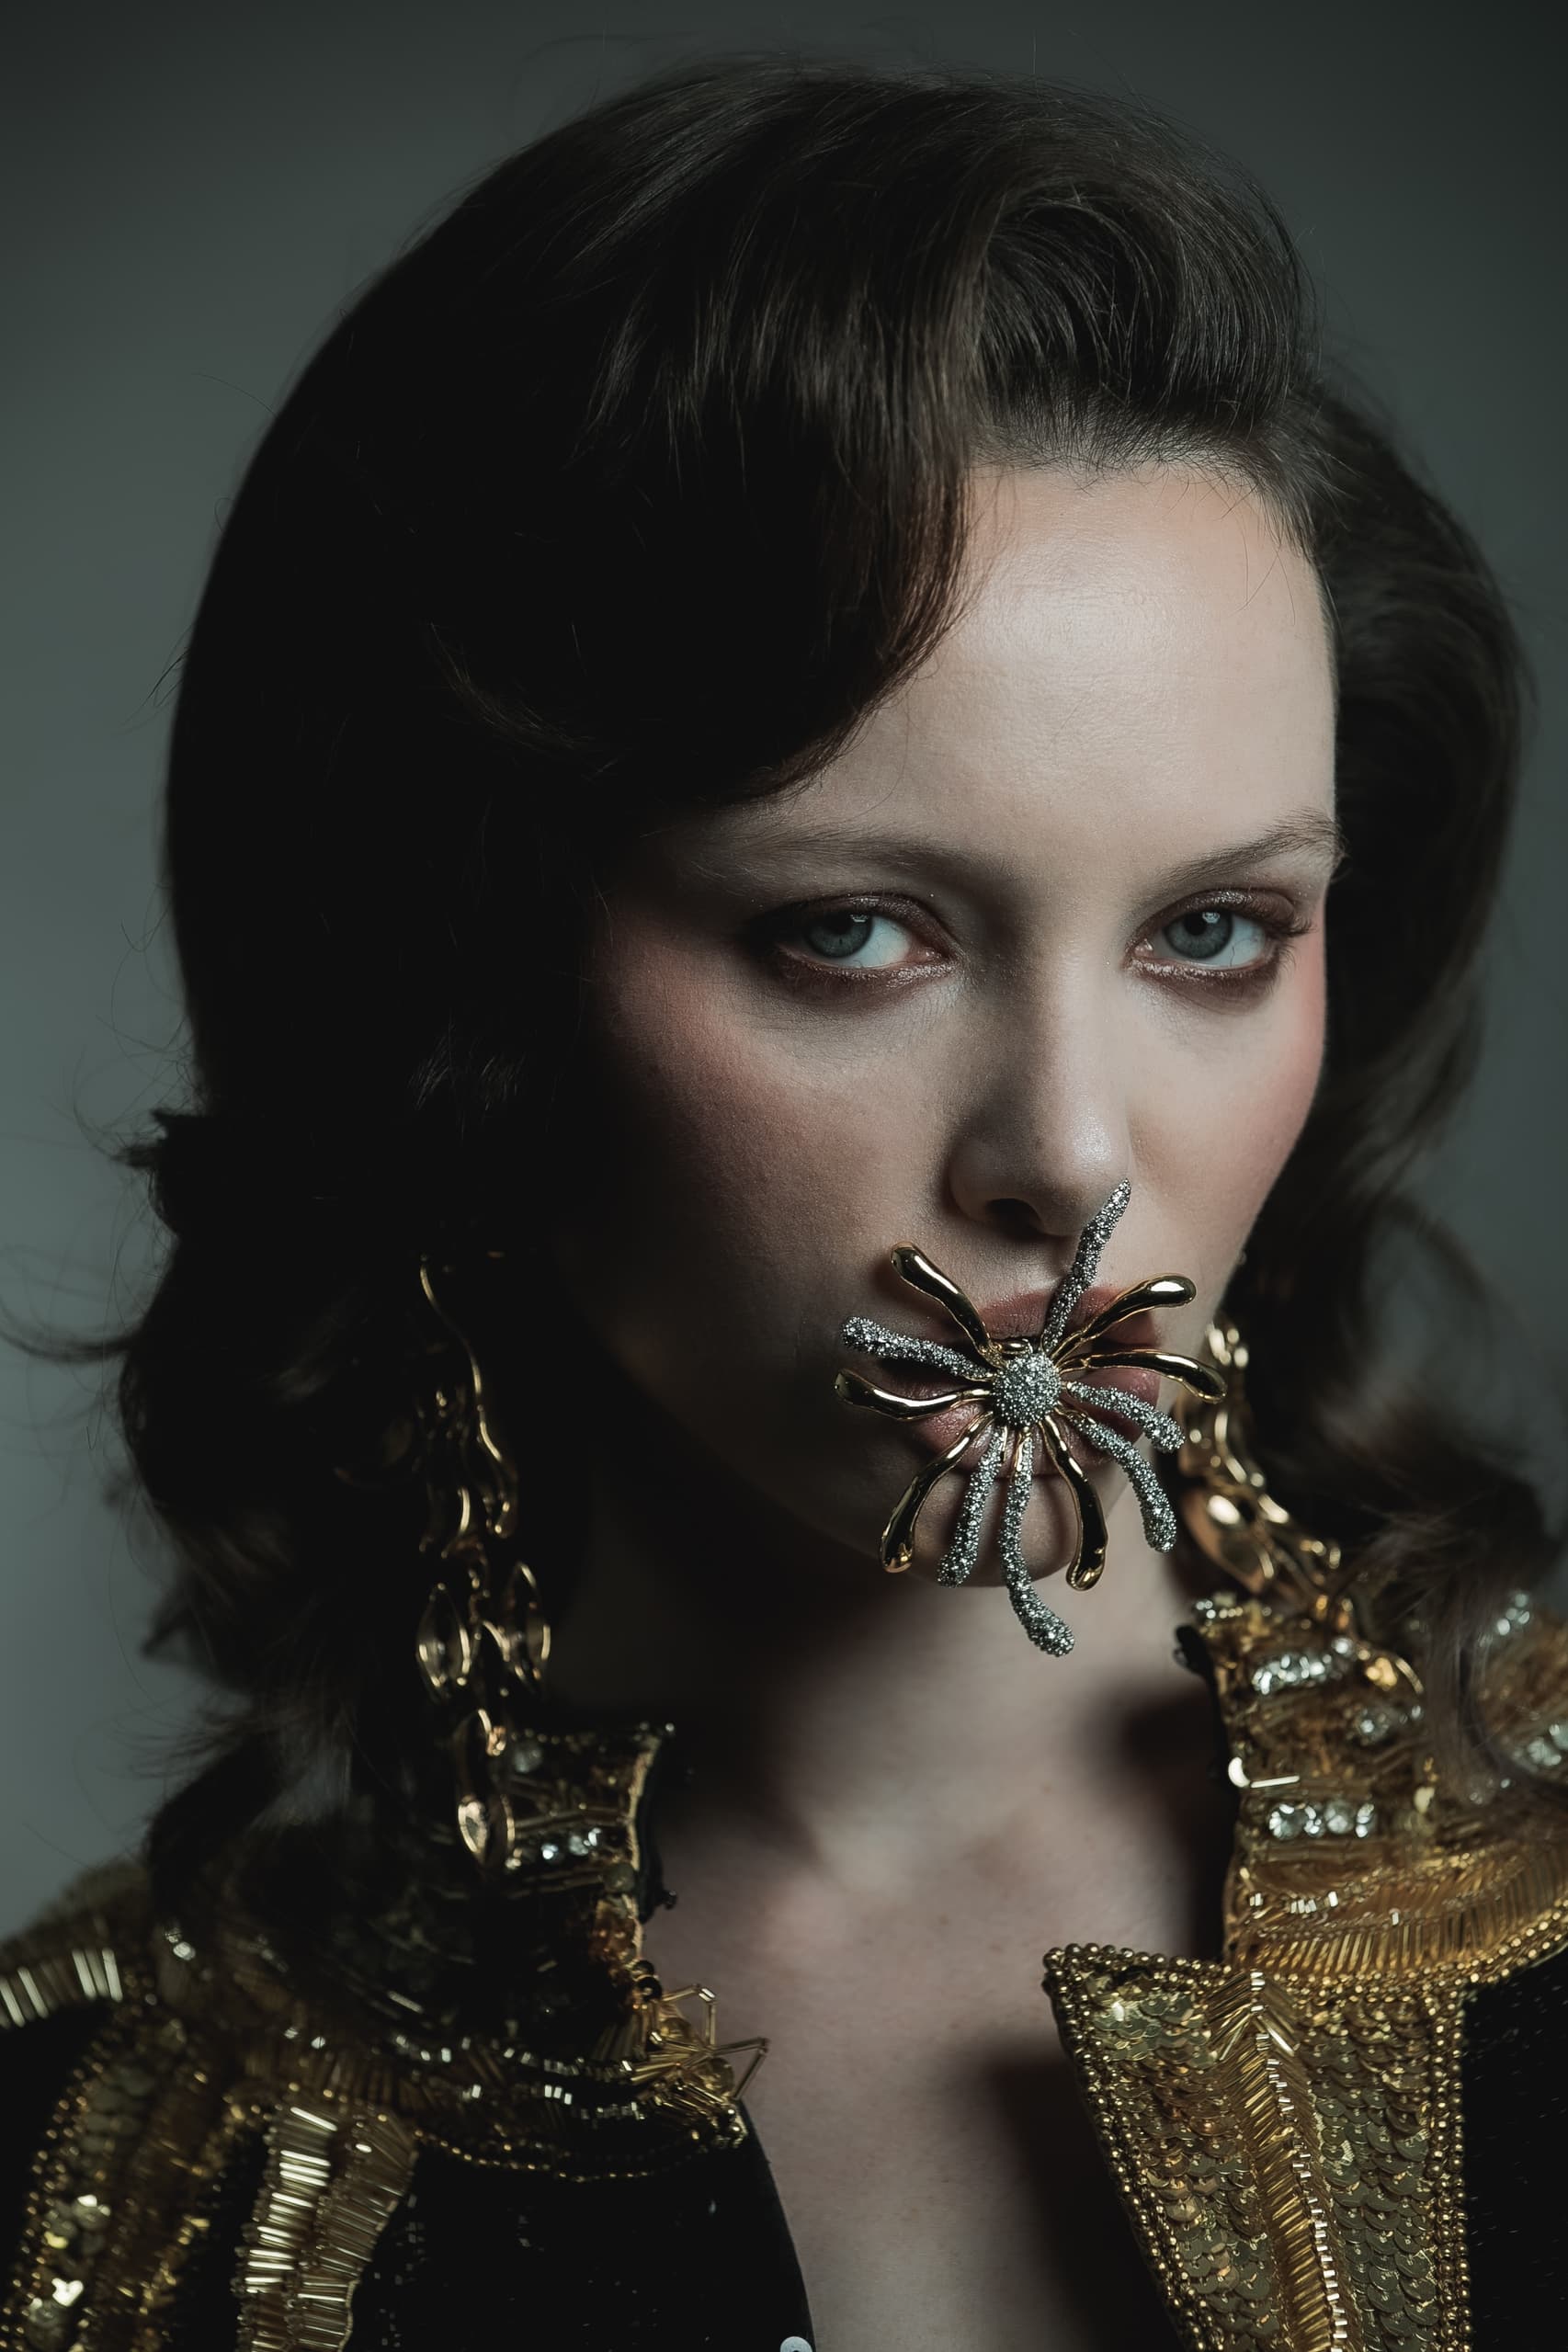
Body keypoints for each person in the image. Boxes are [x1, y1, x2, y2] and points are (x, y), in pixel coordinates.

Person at [2, 52, 1564, 2352]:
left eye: (1213, 933)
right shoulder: (118, 2156)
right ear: (467, 979)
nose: (1073, 1147)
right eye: (853, 932)